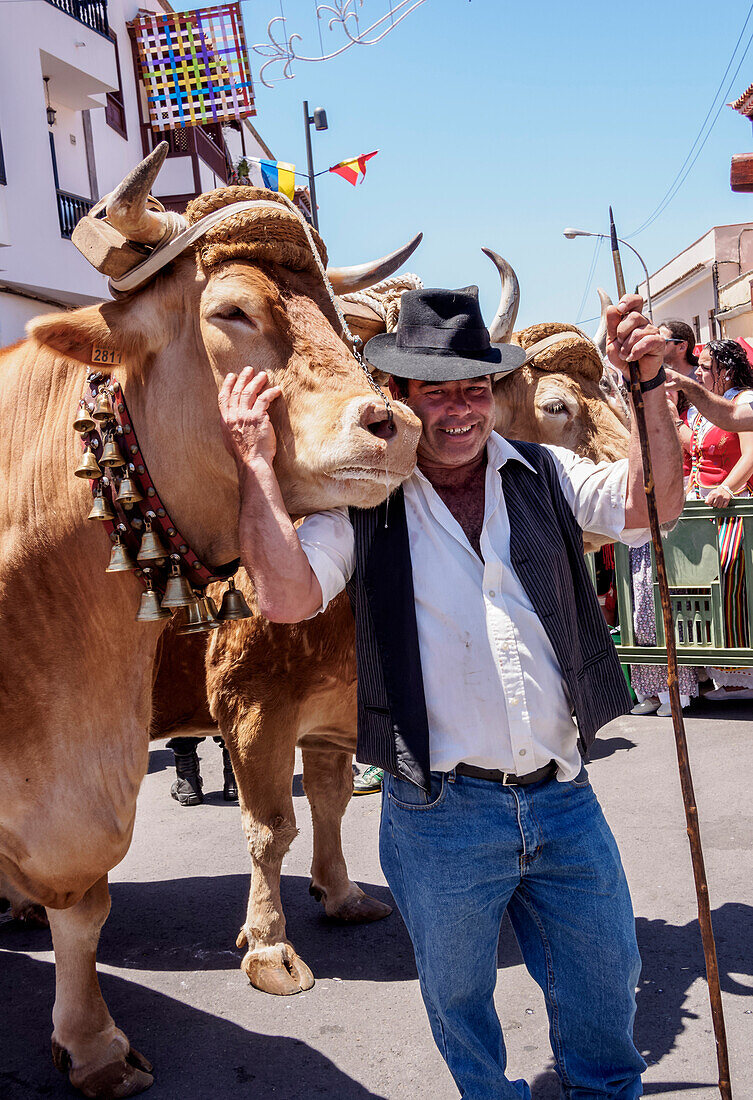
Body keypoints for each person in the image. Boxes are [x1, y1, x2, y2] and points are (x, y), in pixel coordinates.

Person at [217, 286, 684, 1099]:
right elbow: (287, 597)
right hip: (440, 814)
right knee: (460, 1004)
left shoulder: (542, 470)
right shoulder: (365, 503)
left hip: (564, 798)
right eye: (437, 392)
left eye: (474, 388)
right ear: (398, 398)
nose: (461, 411)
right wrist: (255, 464)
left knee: (606, 989)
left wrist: (645, 386)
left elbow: (654, 506)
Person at [629, 319, 700, 716]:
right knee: (641, 606)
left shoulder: (671, 404)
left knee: (665, 602)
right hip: (642, 518)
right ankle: (652, 689)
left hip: (671, 514)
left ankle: (680, 690)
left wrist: (667, 411)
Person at [678, 339, 753, 699]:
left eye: (706, 367)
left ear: (725, 370)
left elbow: (750, 454)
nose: (699, 372)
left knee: (729, 578)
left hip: (735, 511)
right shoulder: (703, 409)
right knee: (702, 585)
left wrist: (728, 488)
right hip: (705, 512)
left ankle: (740, 676)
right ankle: (714, 672)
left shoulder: (744, 401)